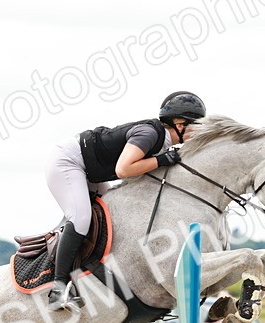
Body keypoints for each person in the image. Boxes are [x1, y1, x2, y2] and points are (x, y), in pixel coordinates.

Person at [44, 91, 207, 310]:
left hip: (92, 172)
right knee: (81, 218)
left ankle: (90, 274)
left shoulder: (164, 143)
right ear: (179, 123)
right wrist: (159, 161)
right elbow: (123, 169)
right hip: (69, 162)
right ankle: (58, 288)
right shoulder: (149, 134)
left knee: (111, 216)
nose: (198, 132)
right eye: (195, 126)